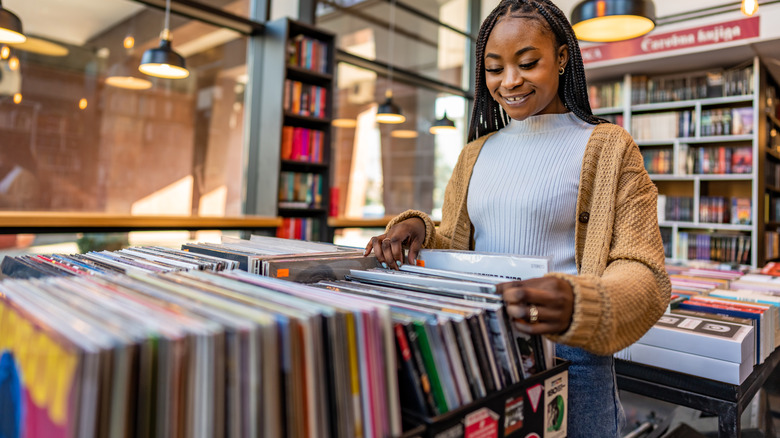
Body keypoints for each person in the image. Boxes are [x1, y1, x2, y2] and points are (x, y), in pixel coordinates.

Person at [364, 1, 671, 436]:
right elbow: (456, 242)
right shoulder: (474, 153)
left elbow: (644, 270)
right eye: (494, 68)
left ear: (563, 58)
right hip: (483, 346)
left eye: (528, 63)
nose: (510, 81)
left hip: (573, 356)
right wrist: (418, 229)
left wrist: (581, 301)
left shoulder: (609, 148)